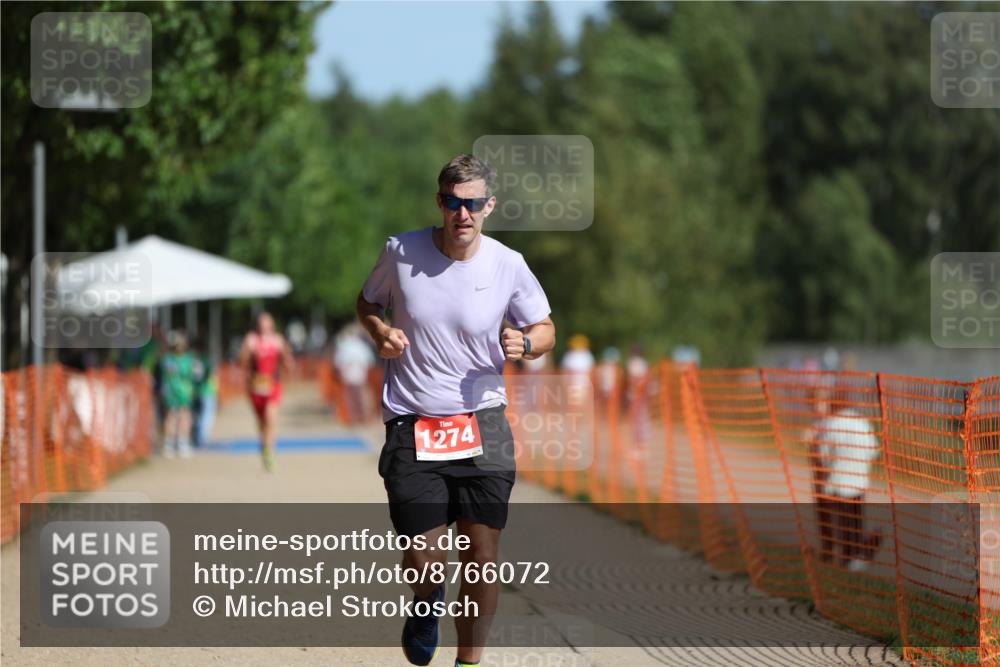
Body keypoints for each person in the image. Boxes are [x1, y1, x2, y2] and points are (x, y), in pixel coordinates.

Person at [357, 154, 555, 667]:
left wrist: (527, 344)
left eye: (472, 203)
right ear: (439, 202)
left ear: (489, 206)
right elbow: (367, 302)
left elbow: (545, 328)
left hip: (482, 422)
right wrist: (380, 331)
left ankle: (469, 662)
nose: (462, 213)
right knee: (425, 557)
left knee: (481, 557)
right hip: (414, 420)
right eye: (452, 202)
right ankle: (427, 602)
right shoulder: (401, 252)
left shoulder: (508, 263)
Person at [808, 386, 882, 571]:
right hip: (858, 483)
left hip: (837, 484)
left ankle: (849, 556)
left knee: (841, 524)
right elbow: (874, 451)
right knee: (855, 521)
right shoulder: (862, 423)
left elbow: (822, 456)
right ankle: (856, 553)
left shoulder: (831, 425)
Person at [238, 312, 295, 471]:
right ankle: (264, 445)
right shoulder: (251, 340)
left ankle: (269, 451)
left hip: (273, 386)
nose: (264, 325)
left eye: (267, 322)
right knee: (262, 422)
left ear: (272, 324)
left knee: (271, 419)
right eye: (262, 322)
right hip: (256, 387)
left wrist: (288, 363)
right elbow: (242, 363)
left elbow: (288, 361)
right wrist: (247, 353)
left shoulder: (278, 340)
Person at [158, 331, 196, 458]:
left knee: (185, 417)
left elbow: (194, 375)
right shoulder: (168, 360)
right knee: (171, 417)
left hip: (185, 393)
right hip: (172, 393)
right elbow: (169, 375)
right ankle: (169, 444)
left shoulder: (189, 359)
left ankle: (182, 443)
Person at [333, 323, 377, 424]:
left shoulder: (345, 345)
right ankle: (363, 417)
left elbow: (339, 362)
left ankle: (354, 417)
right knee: (361, 396)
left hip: (350, 374)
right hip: (359, 374)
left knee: (351, 397)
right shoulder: (360, 345)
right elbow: (369, 361)